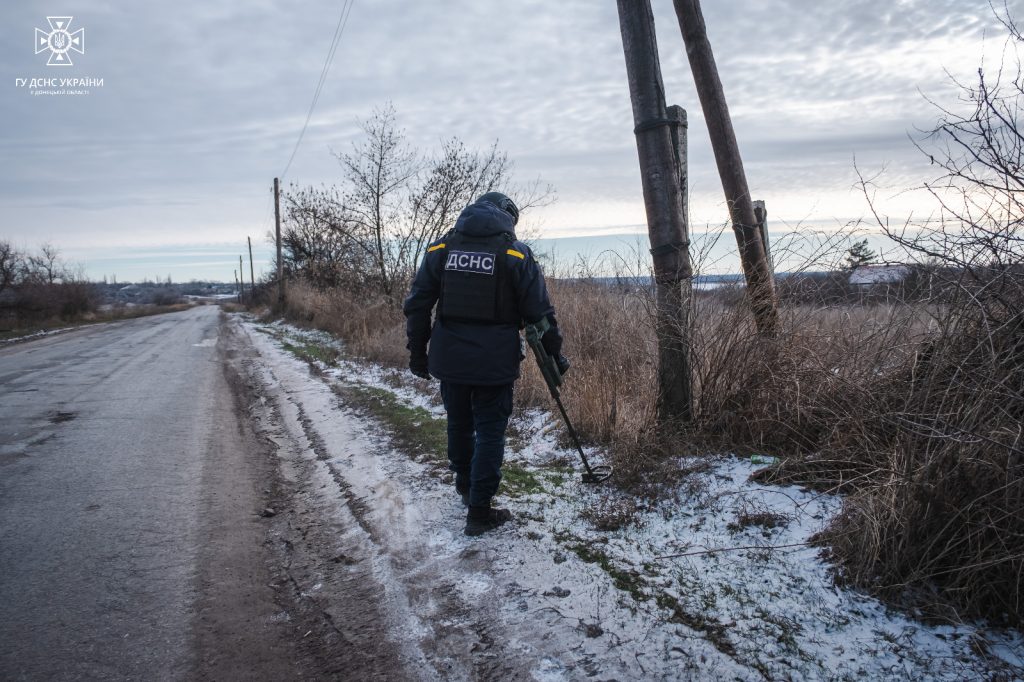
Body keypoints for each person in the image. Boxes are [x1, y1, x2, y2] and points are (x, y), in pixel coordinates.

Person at [403, 192, 568, 537]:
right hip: (495, 362)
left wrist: (417, 352)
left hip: (450, 359)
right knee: (490, 431)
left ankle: (466, 487)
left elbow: (418, 304)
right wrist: (556, 355)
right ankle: (479, 510)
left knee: (458, 423)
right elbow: (541, 314)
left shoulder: (441, 249)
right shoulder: (516, 254)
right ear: (508, 217)